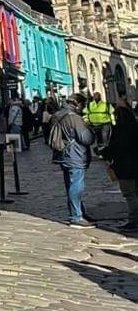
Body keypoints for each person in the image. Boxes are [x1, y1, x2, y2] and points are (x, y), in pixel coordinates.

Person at [48, 92, 95, 227]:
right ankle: (76, 216)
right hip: (75, 154)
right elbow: (86, 138)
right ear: (78, 104)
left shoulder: (57, 115)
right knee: (76, 185)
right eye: (83, 105)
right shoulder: (75, 118)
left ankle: (78, 212)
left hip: (62, 153)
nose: (84, 108)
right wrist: (91, 130)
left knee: (70, 184)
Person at [104, 99, 138, 230]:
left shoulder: (118, 131)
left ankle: (134, 220)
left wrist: (104, 153)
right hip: (133, 165)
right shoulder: (135, 127)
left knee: (130, 195)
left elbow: (113, 149)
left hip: (125, 168)